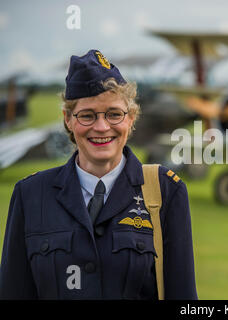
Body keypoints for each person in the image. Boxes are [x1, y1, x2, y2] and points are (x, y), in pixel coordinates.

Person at [0, 49, 197, 299]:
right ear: (68, 119)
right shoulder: (30, 195)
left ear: (131, 117)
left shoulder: (165, 191)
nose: (102, 127)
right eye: (87, 115)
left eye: (114, 114)